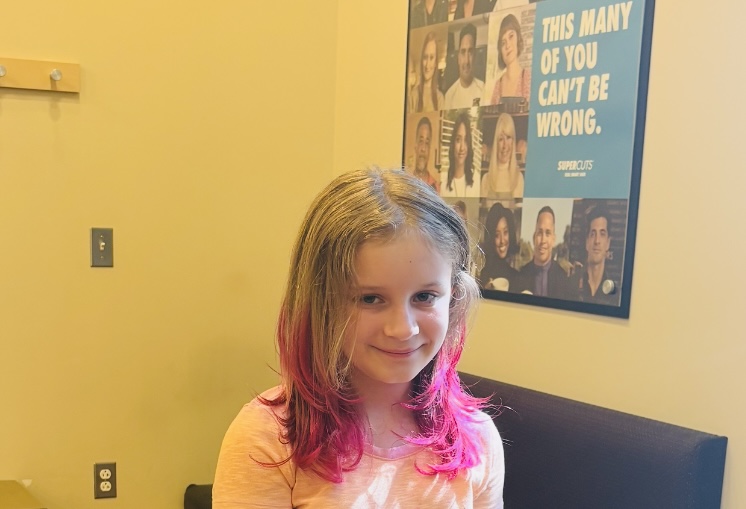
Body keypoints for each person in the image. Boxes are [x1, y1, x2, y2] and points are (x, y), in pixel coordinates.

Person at [213, 168, 505, 508]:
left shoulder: (478, 437)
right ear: (322, 302)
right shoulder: (267, 438)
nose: (402, 329)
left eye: (425, 297)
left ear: (453, 297)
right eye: (370, 299)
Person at [515, 206, 572, 298]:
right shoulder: (521, 277)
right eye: (539, 233)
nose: (543, 240)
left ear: (553, 239)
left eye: (548, 233)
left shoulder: (563, 279)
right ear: (534, 238)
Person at [572, 205, 619, 305]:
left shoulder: (615, 294)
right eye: (593, 234)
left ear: (608, 243)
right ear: (587, 242)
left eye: (602, 234)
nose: (597, 241)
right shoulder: (572, 284)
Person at [489, 14, 531, 106]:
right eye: (503, 43)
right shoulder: (498, 86)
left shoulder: (528, 78)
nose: (508, 45)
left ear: (518, 38)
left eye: (511, 36)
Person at [481, 113, 524, 201]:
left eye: (508, 138)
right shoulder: (486, 180)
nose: (505, 145)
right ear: (496, 143)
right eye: (501, 139)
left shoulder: (519, 179)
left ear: (513, 141)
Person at [479, 203, 519, 291]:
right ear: (491, 238)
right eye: (497, 235)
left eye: (505, 232)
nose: (502, 241)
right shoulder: (484, 274)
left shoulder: (515, 276)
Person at [444, 23, 484, 110]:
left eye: (470, 52)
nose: (466, 61)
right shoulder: (449, 96)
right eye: (463, 52)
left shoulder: (483, 90)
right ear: (458, 57)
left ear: (475, 56)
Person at [441, 113, 480, 198]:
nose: (462, 148)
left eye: (465, 140)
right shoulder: (443, 185)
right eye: (458, 140)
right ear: (453, 143)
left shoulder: (477, 180)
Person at [409, 31, 445, 113]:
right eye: (425, 57)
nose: (427, 65)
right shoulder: (413, 96)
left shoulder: (440, 99)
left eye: (431, 58)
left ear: (436, 62)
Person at [409, 116, 441, 192]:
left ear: (430, 149)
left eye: (427, 143)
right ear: (415, 146)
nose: (423, 149)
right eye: (421, 141)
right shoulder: (406, 184)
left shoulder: (436, 188)